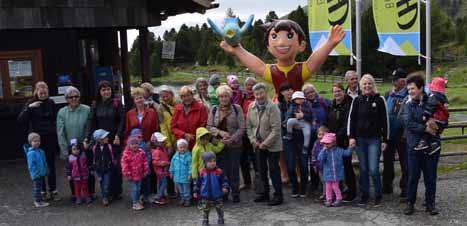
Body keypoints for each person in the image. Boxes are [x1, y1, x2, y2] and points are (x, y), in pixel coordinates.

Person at [219, 19, 345, 95]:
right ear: (268, 46)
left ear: (301, 46)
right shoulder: (272, 72)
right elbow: (257, 65)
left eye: (289, 36)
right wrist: (237, 49)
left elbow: (314, 61)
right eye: (274, 37)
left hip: (298, 109)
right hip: (277, 112)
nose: (281, 43)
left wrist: (329, 43)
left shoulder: (301, 70)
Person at [400, 74, 441, 216]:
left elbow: (442, 119)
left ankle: (430, 204)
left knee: (430, 178)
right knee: (413, 177)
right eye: (408, 89)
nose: (410, 91)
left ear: (421, 88)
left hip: (432, 147)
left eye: (412, 89)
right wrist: (425, 128)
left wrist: (436, 126)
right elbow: (408, 122)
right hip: (413, 146)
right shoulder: (408, 103)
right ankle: (410, 203)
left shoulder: (432, 101)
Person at [348, 74, 389, 207]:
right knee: (363, 169)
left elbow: (385, 121)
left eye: (369, 83)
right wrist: (351, 137)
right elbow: (352, 120)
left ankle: (378, 194)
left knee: (373, 169)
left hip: (374, 140)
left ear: (373, 85)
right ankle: (364, 194)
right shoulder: (357, 100)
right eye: (364, 84)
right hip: (360, 140)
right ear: (361, 86)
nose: (367, 86)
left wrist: (385, 139)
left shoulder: (380, 100)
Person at [18, 81, 60, 201]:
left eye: (45, 92)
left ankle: (53, 190)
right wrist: (29, 108)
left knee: (51, 165)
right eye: (40, 92)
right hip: (37, 140)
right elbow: (20, 119)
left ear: (47, 92)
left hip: (50, 138)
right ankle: (42, 191)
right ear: (36, 92)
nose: (43, 94)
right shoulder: (30, 103)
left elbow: (54, 118)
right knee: (39, 164)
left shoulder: (51, 102)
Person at [246, 83, 284, 206]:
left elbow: (276, 129)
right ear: (254, 95)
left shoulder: (273, 107)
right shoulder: (251, 106)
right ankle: (264, 193)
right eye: (256, 94)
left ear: (265, 93)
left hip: (272, 145)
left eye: (261, 93)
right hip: (258, 145)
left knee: (274, 170)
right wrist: (253, 140)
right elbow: (249, 126)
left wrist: (265, 143)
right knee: (261, 170)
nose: (259, 96)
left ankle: (278, 196)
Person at [207, 85, 245, 203]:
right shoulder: (213, 109)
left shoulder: (237, 108)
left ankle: (235, 193)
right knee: (221, 170)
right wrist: (219, 132)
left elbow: (242, 127)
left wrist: (232, 139)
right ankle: (224, 193)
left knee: (234, 170)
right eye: (221, 97)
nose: (224, 99)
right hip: (219, 145)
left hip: (235, 145)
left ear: (230, 97)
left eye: (226, 96)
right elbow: (208, 127)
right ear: (218, 98)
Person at [89, 80, 125, 201]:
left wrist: (118, 135)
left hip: (114, 139)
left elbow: (122, 120)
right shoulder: (95, 105)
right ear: (99, 92)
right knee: (104, 166)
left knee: (116, 165)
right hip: (101, 140)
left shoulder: (116, 103)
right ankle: (107, 191)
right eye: (103, 90)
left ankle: (117, 191)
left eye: (108, 89)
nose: (106, 92)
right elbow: (92, 122)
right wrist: (93, 138)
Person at [56, 86, 90, 201]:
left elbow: (89, 127)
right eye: (71, 97)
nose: (74, 99)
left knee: (87, 169)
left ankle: (89, 193)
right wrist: (65, 150)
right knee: (72, 171)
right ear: (66, 99)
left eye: (76, 96)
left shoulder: (87, 109)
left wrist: (87, 140)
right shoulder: (62, 112)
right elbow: (60, 132)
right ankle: (75, 194)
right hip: (70, 149)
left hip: (85, 146)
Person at [326, 83, 357, 202]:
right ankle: (338, 191)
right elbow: (329, 121)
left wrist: (336, 137)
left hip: (343, 141)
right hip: (332, 141)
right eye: (335, 91)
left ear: (343, 92)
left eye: (339, 91)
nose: (337, 93)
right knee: (336, 167)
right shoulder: (332, 105)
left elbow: (347, 124)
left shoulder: (349, 105)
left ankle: (352, 192)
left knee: (347, 166)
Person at [383, 69, 409, 200]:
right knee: (388, 162)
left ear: (403, 81)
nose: (393, 82)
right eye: (393, 79)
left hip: (403, 137)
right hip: (389, 135)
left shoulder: (409, 95)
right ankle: (387, 186)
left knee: (406, 163)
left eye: (396, 79)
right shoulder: (388, 94)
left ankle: (405, 188)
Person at [318, 133, 355, 208]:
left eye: (328, 143)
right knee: (328, 187)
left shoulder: (339, 150)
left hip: (336, 174)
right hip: (328, 174)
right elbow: (320, 158)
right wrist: (323, 151)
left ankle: (339, 199)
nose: (326, 145)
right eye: (324, 143)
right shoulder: (325, 152)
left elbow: (347, 153)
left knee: (335, 187)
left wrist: (351, 148)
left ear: (333, 142)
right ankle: (329, 200)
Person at [193, 151, 229, 226]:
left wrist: (225, 187)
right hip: (205, 196)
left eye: (214, 161)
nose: (212, 163)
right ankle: (205, 220)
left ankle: (221, 218)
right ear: (205, 162)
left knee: (219, 208)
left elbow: (224, 180)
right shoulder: (201, 172)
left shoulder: (219, 171)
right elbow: (197, 183)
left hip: (217, 195)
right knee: (205, 209)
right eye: (210, 161)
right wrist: (195, 191)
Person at [414, 77, 449, 153]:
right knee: (434, 133)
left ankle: (423, 143)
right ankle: (434, 144)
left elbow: (430, 106)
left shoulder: (433, 96)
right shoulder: (444, 97)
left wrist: (426, 115)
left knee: (426, 128)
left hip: (436, 119)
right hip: (443, 121)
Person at [121, 136, 150, 211]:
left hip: (139, 174)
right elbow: (124, 165)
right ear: (129, 145)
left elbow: (145, 162)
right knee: (134, 189)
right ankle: (135, 203)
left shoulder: (141, 152)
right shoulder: (126, 154)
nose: (135, 145)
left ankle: (137, 200)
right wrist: (127, 174)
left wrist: (146, 170)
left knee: (138, 188)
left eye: (136, 143)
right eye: (132, 144)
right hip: (131, 176)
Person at [240, 77, 258, 190]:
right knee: (243, 158)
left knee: (256, 158)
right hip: (243, 131)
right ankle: (247, 182)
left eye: (252, 85)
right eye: (248, 85)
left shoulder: (258, 98)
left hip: (255, 132)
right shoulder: (242, 98)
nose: (250, 87)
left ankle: (258, 182)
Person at [23, 132, 50, 208]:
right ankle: (37, 201)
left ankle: (40, 200)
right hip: (36, 175)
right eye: (34, 141)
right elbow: (31, 166)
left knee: (40, 187)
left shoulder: (41, 151)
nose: (37, 143)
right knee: (37, 188)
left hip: (41, 173)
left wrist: (46, 170)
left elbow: (44, 162)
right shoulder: (31, 153)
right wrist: (35, 174)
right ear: (30, 142)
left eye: (38, 141)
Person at [91, 129, 116, 206]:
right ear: (100, 140)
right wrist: (93, 168)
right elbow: (93, 158)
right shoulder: (95, 148)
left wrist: (113, 163)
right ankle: (104, 197)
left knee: (106, 184)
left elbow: (113, 156)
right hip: (99, 170)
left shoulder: (109, 146)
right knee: (102, 183)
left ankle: (105, 196)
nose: (108, 138)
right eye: (105, 137)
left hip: (107, 169)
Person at [65, 139, 91, 205]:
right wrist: (69, 175)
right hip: (75, 176)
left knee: (85, 187)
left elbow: (87, 163)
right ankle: (78, 198)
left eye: (77, 149)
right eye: (74, 149)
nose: (76, 151)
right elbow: (68, 167)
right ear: (71, 150)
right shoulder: (70, 158)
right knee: (77, 188)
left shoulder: (83, 155)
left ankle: (86, 197)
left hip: (84, 174)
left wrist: (90, 169)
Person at [169, 139, 192, 207]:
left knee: (186, 190)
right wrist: (171, 172)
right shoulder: (175, 156)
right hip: (177, 177)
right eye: (180, 147)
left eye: (184, 147)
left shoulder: (188, 157)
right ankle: (182, 199)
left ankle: (187, 199)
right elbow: (172, 165)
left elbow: (191, 167)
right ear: (177, 148)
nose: (182, 149)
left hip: (185, 177)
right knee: (180, 190)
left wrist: (190, 174)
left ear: (186, 147)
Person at [151, 132, 170, 205]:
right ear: (156, 142)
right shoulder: (156, 151)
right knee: (164, 183)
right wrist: (162, 163)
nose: (163, 142)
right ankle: (159, 196)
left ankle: (161, 195)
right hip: (160, 171)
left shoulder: (163, 149)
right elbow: (154, 162)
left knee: (161, 183)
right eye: (161, 141)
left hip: (164, 170)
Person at [311, 126, 329, 201]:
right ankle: (325, 194)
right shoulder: (316, 143)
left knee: (327, 181)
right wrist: (314, 165)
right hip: (319, 167)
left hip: (327, 167)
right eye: (319, 134)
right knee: (323, 181)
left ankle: (327, 195)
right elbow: (313, 154)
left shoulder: (328, 144)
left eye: (323, 134)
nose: (321, 136)